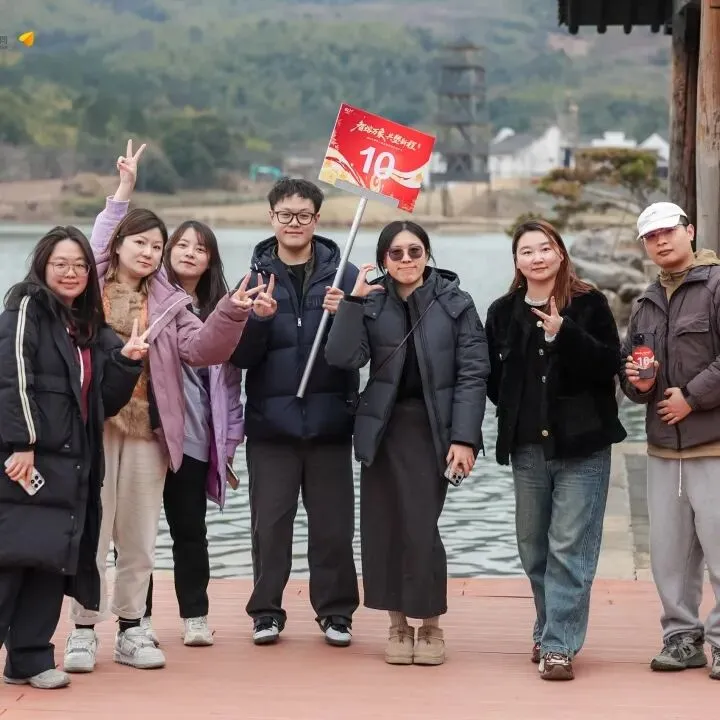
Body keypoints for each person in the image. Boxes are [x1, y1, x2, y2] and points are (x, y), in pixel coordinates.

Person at [64, 141, 262, 673]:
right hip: (93, 428)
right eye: (141, 242)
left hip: (149, 433)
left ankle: (133, 629)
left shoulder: (172, 304)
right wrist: (123, 191)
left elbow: (202, 350)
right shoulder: (90, 286)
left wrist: (231, 311)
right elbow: (96, 241)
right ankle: (83, 629)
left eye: (157, 245)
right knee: (92, 532)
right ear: (120, 245)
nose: (150, 252)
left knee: (138, 537)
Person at [325, 220, 489, 666]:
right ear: (383, 259)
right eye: (395, 253)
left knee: (420, 528)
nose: (406, 260)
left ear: (427, 254)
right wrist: (353, 303)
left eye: (414, 251)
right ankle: (397, 624)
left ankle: (430, 624)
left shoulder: (455, 301)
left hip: (432, 429)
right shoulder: (372, 301)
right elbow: (343, 357)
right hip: (382, 429)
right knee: (382, 530)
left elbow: (473, 373)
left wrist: (464, 437)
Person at [0, 226, 146, 689]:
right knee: (9, 561)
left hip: (74, 464)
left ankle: (29, 659)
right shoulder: (26, 305)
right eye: (61, 263)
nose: (71, 272)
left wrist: (127, 361)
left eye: (80, 265)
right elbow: (12, 375)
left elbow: (103, 403)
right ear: (43, 265)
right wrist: (22, 441)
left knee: (50, 562)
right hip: (27, 462)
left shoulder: (86, 327)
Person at [485, 219, 626, 681]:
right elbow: (493, 382)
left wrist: (564, 334)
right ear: (517, 261)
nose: (537, 257)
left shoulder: (589, 304)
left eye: (545, 248)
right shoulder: (502, 312)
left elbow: (609, 364)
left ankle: (558, 645)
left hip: (582, 447)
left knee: (569, 547)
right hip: (527, 449)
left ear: (560, 253)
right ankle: (549, 627)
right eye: (527, 251)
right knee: (533, 547)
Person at [229, 177, 360, 647]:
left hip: (330, 425)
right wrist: (258, 321)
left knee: (333, 529)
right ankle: (266, 612)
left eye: (304, 215)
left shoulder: (345, 275)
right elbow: (241, 357)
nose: (294, 223)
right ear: (271, 217)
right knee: (269, 527)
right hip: (272, 428)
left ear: (317, 219)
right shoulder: (252, 281)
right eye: (285, 215)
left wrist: (348, 313)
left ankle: (336, 613)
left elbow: (359, 352)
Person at [621, 202, 720, 681]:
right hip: (663, 448)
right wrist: (639, 384)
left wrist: (692, 399)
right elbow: (631, 373)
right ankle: (681, 638)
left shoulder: (716, 286)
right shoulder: (644, 302)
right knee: (669, 554)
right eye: (650, 236)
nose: (660, 241)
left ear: (690, 231)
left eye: (668, 231)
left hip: (713, 445)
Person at [138, 220, 244, 648]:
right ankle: (137, 618)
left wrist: (229, 442)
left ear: (210, 260)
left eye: (200, 248)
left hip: (196, 439)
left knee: (190, 531)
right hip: (147, 436)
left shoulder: (223, 309)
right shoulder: (146, 297)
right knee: (137, 534)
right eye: (181, 245)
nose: (188, 253)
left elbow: (230, 388)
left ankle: (195, 615)